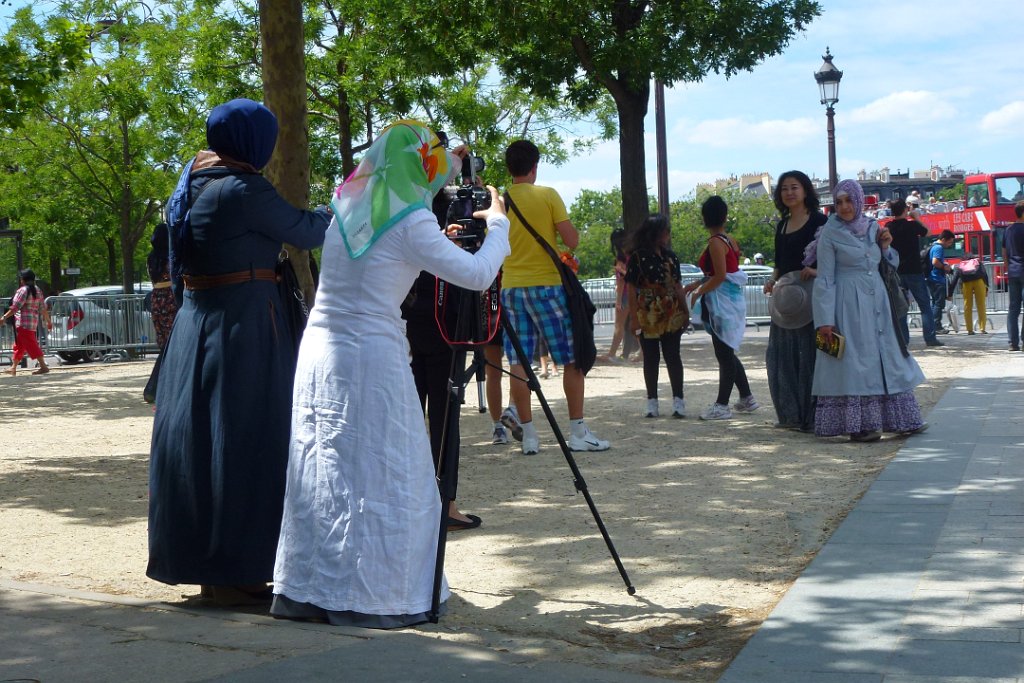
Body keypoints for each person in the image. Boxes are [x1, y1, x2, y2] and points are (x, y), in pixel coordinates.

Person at [272, 120, 510, 628]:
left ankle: (314, 590)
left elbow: (382, 257)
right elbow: (476, 275)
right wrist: (498, 225)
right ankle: (383, 595)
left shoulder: (351, 204)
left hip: (320, 351)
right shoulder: (411, 219)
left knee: (326, 470)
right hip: (370, 352)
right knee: (393, 470)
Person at [147, 99, 331, 606]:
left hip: (196, 322)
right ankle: (239, 571)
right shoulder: (244, 189)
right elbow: (308, 230)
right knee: (246, 439)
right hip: (242, 325)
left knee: (198, 445)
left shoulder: (192, 182)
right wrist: (343, 204)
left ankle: (209, 569)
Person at [499, 139, 609, 455]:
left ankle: (530, 437)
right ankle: (578, 432)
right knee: (571, 358)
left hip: (511, 287)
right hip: (547, 286)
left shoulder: (501, 201)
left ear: (509, 168)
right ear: (535, 167)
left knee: (519, 361)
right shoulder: (548, 195)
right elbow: (572, 240)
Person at [811, 179, 927, 442]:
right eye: (839, 202)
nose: (844, 207)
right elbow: (825, 278)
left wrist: (886, 246)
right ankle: (860, 425)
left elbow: (889, 263)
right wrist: (825, 320)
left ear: (859, 200)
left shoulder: (873, 227)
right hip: (847, 303)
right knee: (855, 362)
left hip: (877, 301)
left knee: (887, 356)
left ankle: (901, 419)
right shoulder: (830, 232)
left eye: (849, 200)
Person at [683, 196, 759, 421]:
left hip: (721, 303)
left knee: (724, 354)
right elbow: (720, 273)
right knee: (727, 352)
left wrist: (699, 291)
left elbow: (719, 276)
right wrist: (697, 284)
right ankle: (746, 397)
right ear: (725, 216)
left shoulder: (716, 242)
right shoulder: (729, 240)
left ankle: (722, 405)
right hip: (729, 301)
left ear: (704, 218)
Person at [763, 170, 827, 432]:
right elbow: (779, 263)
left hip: (813, 299)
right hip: (787, 300)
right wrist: (771, 280)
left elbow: (833, 260)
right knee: (781, 357)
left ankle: (814, 416)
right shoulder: (782, 225)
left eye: (794, 187)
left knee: (812, 357)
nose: (789, 192)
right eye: (784, 188)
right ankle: (790, 415)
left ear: (805, 190)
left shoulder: (820, 222)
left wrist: (817, 271)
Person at [624, 214, 687, 419]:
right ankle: (652, 401)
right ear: (655, 233)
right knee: (650, 357)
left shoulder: (671, 256)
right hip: (647, 311)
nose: (668, 234)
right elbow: (631, 289)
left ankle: (678, 400)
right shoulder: (637, 257)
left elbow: (677, 285)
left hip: (671, 309)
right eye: (665, 230)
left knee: (673, 356)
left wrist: (685, 311)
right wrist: (633, 318)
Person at [887, 199, 941, 346]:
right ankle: (930, 338)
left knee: (900, 307)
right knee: (925, 305)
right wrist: (916, 218)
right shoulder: (912, 225)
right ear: (905, 210)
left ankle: (903, 340)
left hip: (897, 271)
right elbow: (928, 232)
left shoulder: (889, 227)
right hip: (914, 270)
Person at [1, 269, 51, 376]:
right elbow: (43, 308)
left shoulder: (23, 290)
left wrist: (4, 317)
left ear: (22, 279)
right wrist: (48, 321)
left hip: (23, 323)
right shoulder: (37, 290)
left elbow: (15, 307)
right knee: (19, 345)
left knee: (32, 345)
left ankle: (43, 366)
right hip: (32, 323)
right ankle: (13, 367)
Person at [601, 228, 639, 364]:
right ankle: (644, 351)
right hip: (637, 292)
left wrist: (618, 301)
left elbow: (621, 281)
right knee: (636, 323)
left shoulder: (621, 259)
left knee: (619, 325)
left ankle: (612, 354)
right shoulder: (634, 255)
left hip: (625, 294)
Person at [146, 222, 178, 349]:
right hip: (171, 297)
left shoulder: (151, 258)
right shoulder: (171, 255)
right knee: (174, 334)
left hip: (156, 298)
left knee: (162, 337)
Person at [946, 253, 989, 335]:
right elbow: (984, 275)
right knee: (981, 305)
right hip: (979, 282)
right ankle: (982, 328)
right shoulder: (977, 262)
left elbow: (954, 280)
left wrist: (950, 294)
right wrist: (986, 288)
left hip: (966, 284)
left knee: (967, 306)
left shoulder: (960, 265)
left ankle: (969, 329)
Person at [1003, 201, 1024, 351]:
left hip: (1013, 271)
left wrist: (1008, 267)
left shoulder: (1008, 230)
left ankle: (1012, 342)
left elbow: (1004, 252)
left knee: (1013, 309)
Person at [928, 229, 955, 334]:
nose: (949, 245)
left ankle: (933, 325)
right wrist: (944, 267)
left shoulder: (933, 246)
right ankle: (937, 326)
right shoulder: (939, 248)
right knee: (939, 304)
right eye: (949, 242)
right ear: (943, 239)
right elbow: (935, 262)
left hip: (932, 279)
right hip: (937, 279)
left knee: (935, 303)